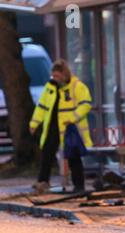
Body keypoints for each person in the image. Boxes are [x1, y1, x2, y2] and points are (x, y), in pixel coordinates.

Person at [29, 59, 93, 193]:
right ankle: (42, 182)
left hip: (70, 128)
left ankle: (79, 186)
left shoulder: (77, 86)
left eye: (57, 76)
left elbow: (86, 104)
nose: (54, 79)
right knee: (47, 153)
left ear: (64, 74)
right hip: (52, 127)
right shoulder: (50, 87)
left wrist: (72, 118)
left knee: (73, 156)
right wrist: (34, 123)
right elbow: (41, 106)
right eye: (53, 76)